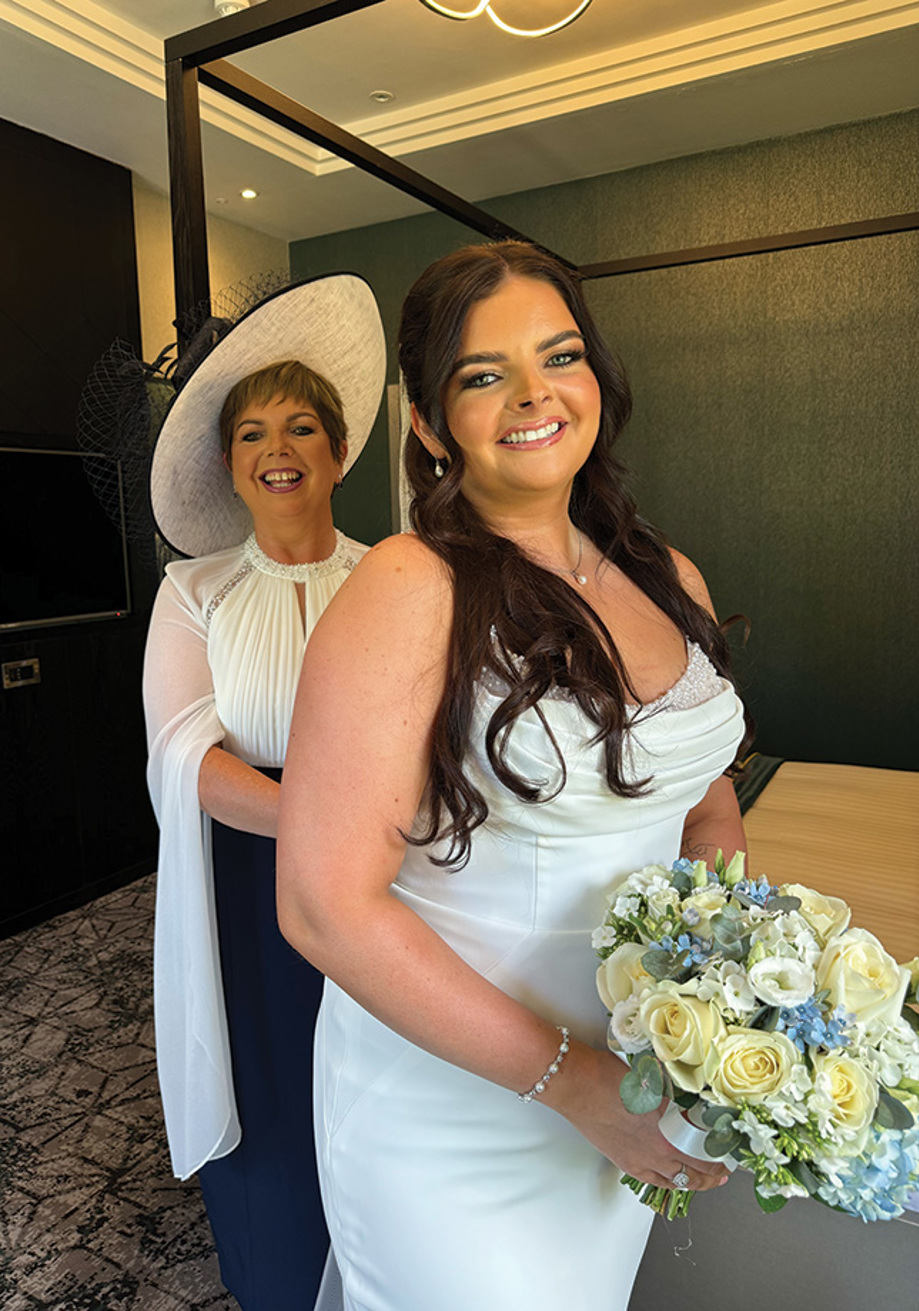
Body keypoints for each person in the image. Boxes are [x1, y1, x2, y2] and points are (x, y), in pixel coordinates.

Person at [276, 242, 752, 1311]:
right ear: (431, 423)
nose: (534, 395)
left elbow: (707, 803)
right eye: (483, 374)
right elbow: (322, 906)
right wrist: (574, 1084)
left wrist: (716, 987)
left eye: (560, 355)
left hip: (625, 1075)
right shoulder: (412, 585)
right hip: (455, 1107)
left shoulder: (665, 576)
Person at [142, 274, 385, 1311]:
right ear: (231, 465)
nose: (275, 447)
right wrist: (321, 823)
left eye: (298, 426)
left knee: (386, 1072)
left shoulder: (395, 577)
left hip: (393, 866)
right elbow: (185, 753)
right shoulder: (191, 592)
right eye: (250, 433)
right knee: (274, 1080)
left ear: (334, 451)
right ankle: (282, 1278)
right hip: (249, 881)